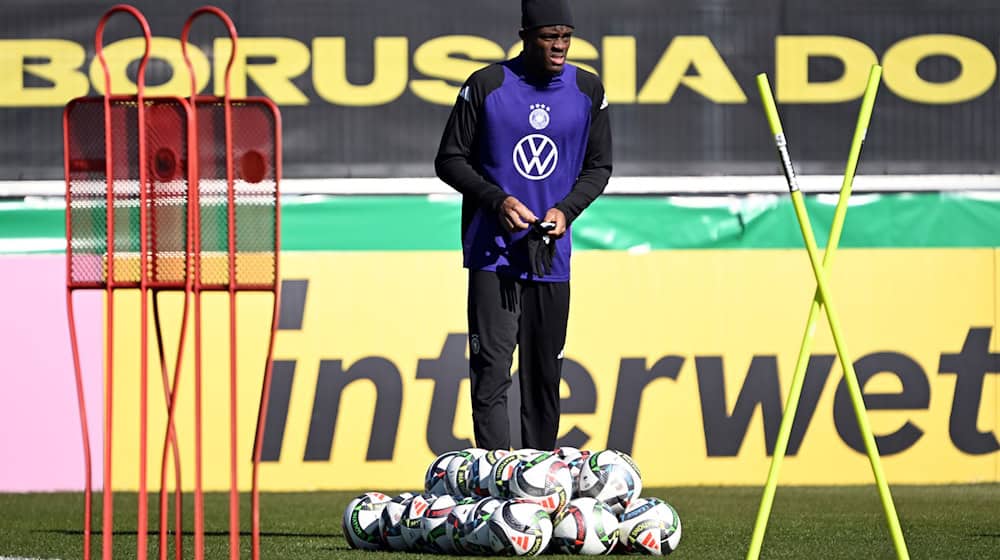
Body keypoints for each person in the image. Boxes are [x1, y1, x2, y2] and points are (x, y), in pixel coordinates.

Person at [434, 0, 612, 451]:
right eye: (549, 37)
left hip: (550, 256)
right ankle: (498, 482)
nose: (559, 47)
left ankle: (535, 484)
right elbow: (449, 159)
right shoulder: (487, 85)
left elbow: (599, 166)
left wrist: (567, 210)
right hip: (494, 255)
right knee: (491, 372)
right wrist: (496, 199)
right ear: (525, 36)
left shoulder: (588, 91)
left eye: (566, 37)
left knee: (544, 375)